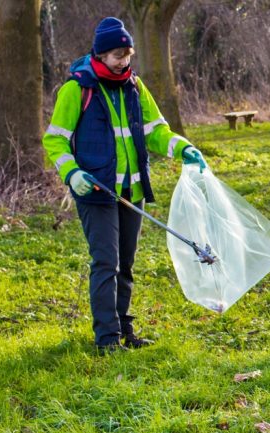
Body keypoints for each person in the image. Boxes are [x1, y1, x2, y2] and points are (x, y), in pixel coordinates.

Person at [43, 17, 209, 354]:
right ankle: (106, 339)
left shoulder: (135, 86)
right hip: (96, 191)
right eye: (118, 55)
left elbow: (156, 130)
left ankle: (124, 330)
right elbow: (54, 142)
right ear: (101, 54)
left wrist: (182, 147)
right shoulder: (77, 89)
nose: (124, 61)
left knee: (126, 264)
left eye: (127, 54)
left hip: (131, 191)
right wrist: (73, 174)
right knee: (107, 262)